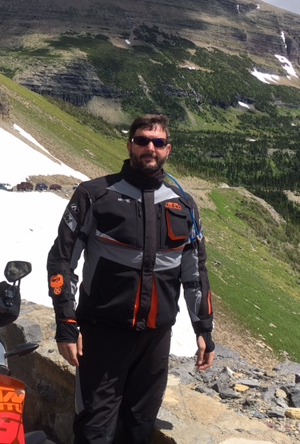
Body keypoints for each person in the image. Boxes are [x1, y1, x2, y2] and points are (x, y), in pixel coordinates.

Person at [47, 114, 215, 444]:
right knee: (94, 429)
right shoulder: (94, 195)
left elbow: (195, 274)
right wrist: (66, 324)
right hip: (101, 336)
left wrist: (204, 330)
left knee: (139, 428)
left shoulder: (184, 205)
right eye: (142, 141)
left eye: (158, 142)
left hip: (155, 341)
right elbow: (62, 261)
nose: (149, 148)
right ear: (130, 145)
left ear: (168, 150)